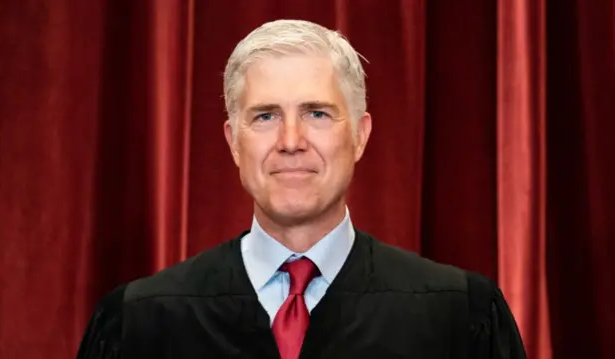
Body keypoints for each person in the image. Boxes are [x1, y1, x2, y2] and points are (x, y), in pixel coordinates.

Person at [76, 19, 527, 359]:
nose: (291, 142)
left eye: (317, 113)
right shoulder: (138, 324)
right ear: (234, 142)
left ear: (361, 136)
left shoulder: (460, 319)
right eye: (266, 116)